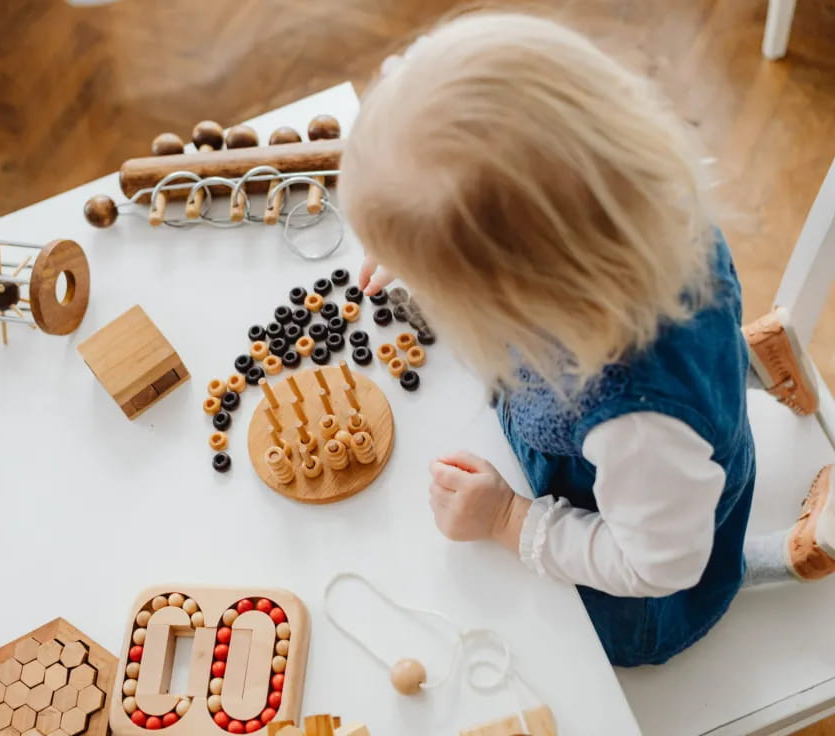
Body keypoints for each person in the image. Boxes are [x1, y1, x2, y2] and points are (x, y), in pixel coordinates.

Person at [337, 11, 835, 667]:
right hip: (672, 457)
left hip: (648, 574)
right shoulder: (637, 205)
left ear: (522, 294)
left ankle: (764, 563)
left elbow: (661, 564)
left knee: (699, 567)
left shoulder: (633, 423)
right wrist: (429, 243)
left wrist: (507, 521)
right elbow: (494, 177)